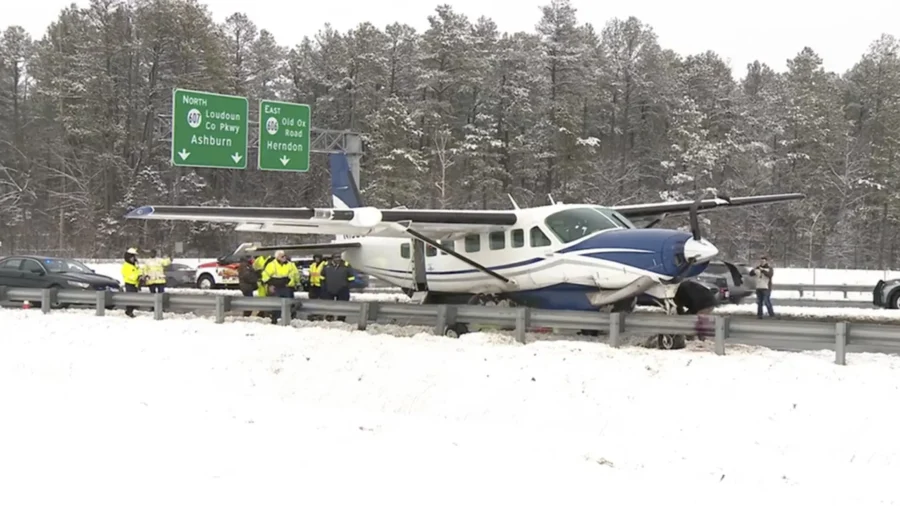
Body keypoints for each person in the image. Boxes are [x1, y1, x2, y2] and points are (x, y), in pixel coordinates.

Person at [261, 250, 299, 324]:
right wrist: (270, 285)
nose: (284, 257)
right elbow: (265, 276)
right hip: (276, 288)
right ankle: (275, 319)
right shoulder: (271, 265)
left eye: (285, 256)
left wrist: (294, 284)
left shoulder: (290, 265)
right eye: (282, 256)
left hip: (286, 287)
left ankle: (287, 320)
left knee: (288, 305)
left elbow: (295, 275)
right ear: (277, 257)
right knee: (276, 305)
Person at [321, 253, 355, 322]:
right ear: (333, 258)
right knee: (329, 304)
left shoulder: (346, 265)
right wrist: (324, 286)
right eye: (336, 258)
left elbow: (351, 277)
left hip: (342, 289)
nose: (338, 259)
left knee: (343, 305)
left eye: (339, 257)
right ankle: (329, 318)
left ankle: (341, 319)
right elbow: (322, 277)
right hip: (329, 289)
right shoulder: (326, 265)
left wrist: (347, 286)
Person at [121, 247, 145, 318]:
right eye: (133, 256)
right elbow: (129, 275)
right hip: (129, 284)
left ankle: (131, 309)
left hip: (135, 284)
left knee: (134, 298)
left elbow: (139, 271)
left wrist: (141, 276)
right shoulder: (126, 266)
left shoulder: (134, 265)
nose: (134, 258)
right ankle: (129, 311)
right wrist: (137, 277)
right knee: (130, 298)